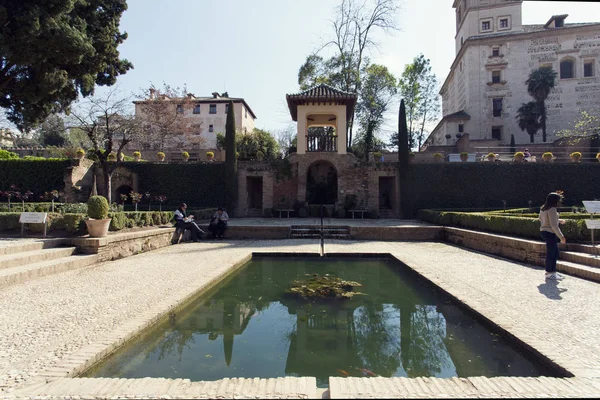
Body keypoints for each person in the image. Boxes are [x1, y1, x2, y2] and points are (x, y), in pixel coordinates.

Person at [539, 192, 567, 280]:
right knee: (552, 253)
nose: (559, 201)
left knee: (554, 252)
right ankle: (549, 272)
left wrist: (559, 220)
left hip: (544, 231)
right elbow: (553, 225)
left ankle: (552, 272)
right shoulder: (552, 209)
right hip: (550, 233)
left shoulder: (543, 208)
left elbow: (542, 219)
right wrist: (561, 237)